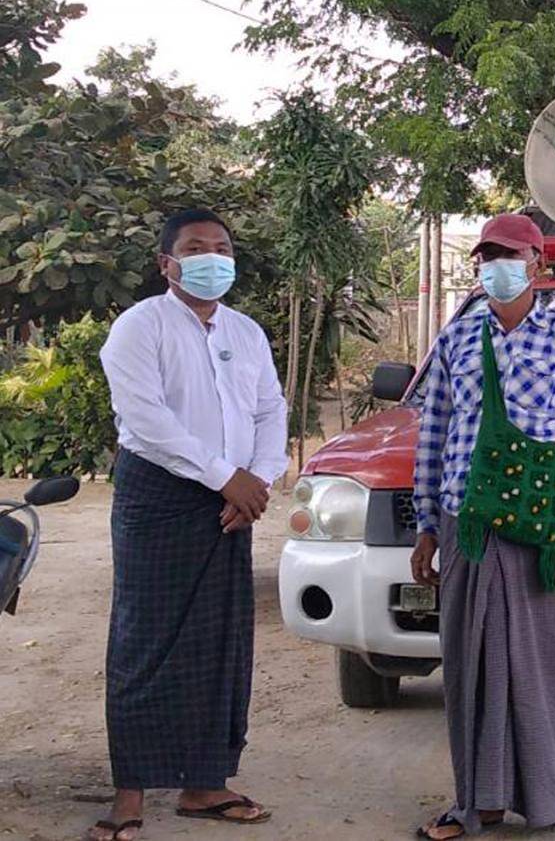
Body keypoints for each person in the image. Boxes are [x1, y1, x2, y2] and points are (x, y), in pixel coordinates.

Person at [410, 213, 555, 840]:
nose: (495, 267)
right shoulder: (456, 339)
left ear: (538, 266)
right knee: (470, 663)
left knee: (546, 665)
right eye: (486, 256)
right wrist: (425, 525)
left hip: (536, 526)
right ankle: (477, 800)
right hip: (463, 522)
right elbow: (434, 434)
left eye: (508, 255)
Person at [91, 208, 287, 841]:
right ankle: (131, 792)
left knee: (220, 645)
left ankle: (206, 784)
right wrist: (221, 475)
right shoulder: (138, 327)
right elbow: (145, 419)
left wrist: (255, 478)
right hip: (161, 497)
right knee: (145, 642)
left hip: (234, 499)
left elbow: (269, 411)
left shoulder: (247, 332)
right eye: (196, 247)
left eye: (222, 246)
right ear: (166, 264)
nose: (212, 257)